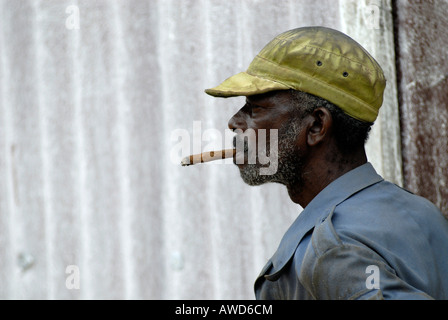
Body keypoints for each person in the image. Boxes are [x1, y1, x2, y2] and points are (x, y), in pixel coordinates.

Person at [204, 26, 448, 300]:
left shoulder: (333, 250)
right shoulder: (421, 213)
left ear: (317, 125)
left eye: (255, 109)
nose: (234, 122)